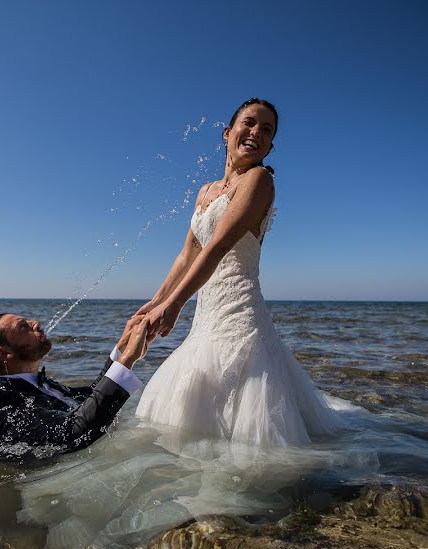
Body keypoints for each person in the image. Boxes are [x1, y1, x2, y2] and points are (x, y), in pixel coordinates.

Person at [135, 97, 345, 445]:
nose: (255, 133)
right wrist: (155, 301)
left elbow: (218, 247)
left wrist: (174, 305)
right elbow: (188, 251)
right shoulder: (205, 191)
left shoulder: (259, 180)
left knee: (249, 421)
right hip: (207, 313)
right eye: (249, 123)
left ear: (271, 145)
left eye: (267, 130)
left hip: (240, 312)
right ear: (227, 133)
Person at [0, 313, 151, 461]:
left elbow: (88, 399)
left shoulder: (44, 385)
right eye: (23, 327)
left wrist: (123, 346)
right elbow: (74, 432)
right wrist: (128, 360)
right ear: (4, 353)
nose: (36, 324)